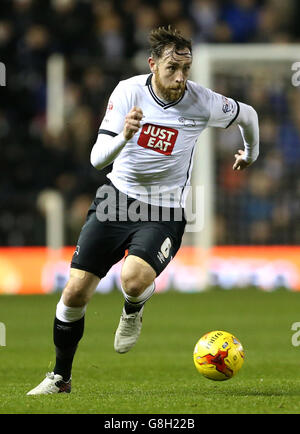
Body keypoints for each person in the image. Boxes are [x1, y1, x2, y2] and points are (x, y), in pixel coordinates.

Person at [27, 25, 259, 395]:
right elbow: (96, 158)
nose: (181, 77)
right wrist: (124, 136)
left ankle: (133, 307)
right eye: (172, 69)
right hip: (116, 199)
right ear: (153, 65)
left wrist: (250, 152)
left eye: (186, 69)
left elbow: (248, 115)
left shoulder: (203, 101)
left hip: (164, 209)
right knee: (73, 293)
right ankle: (60, 378)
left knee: (133, 279)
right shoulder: (128, 92)